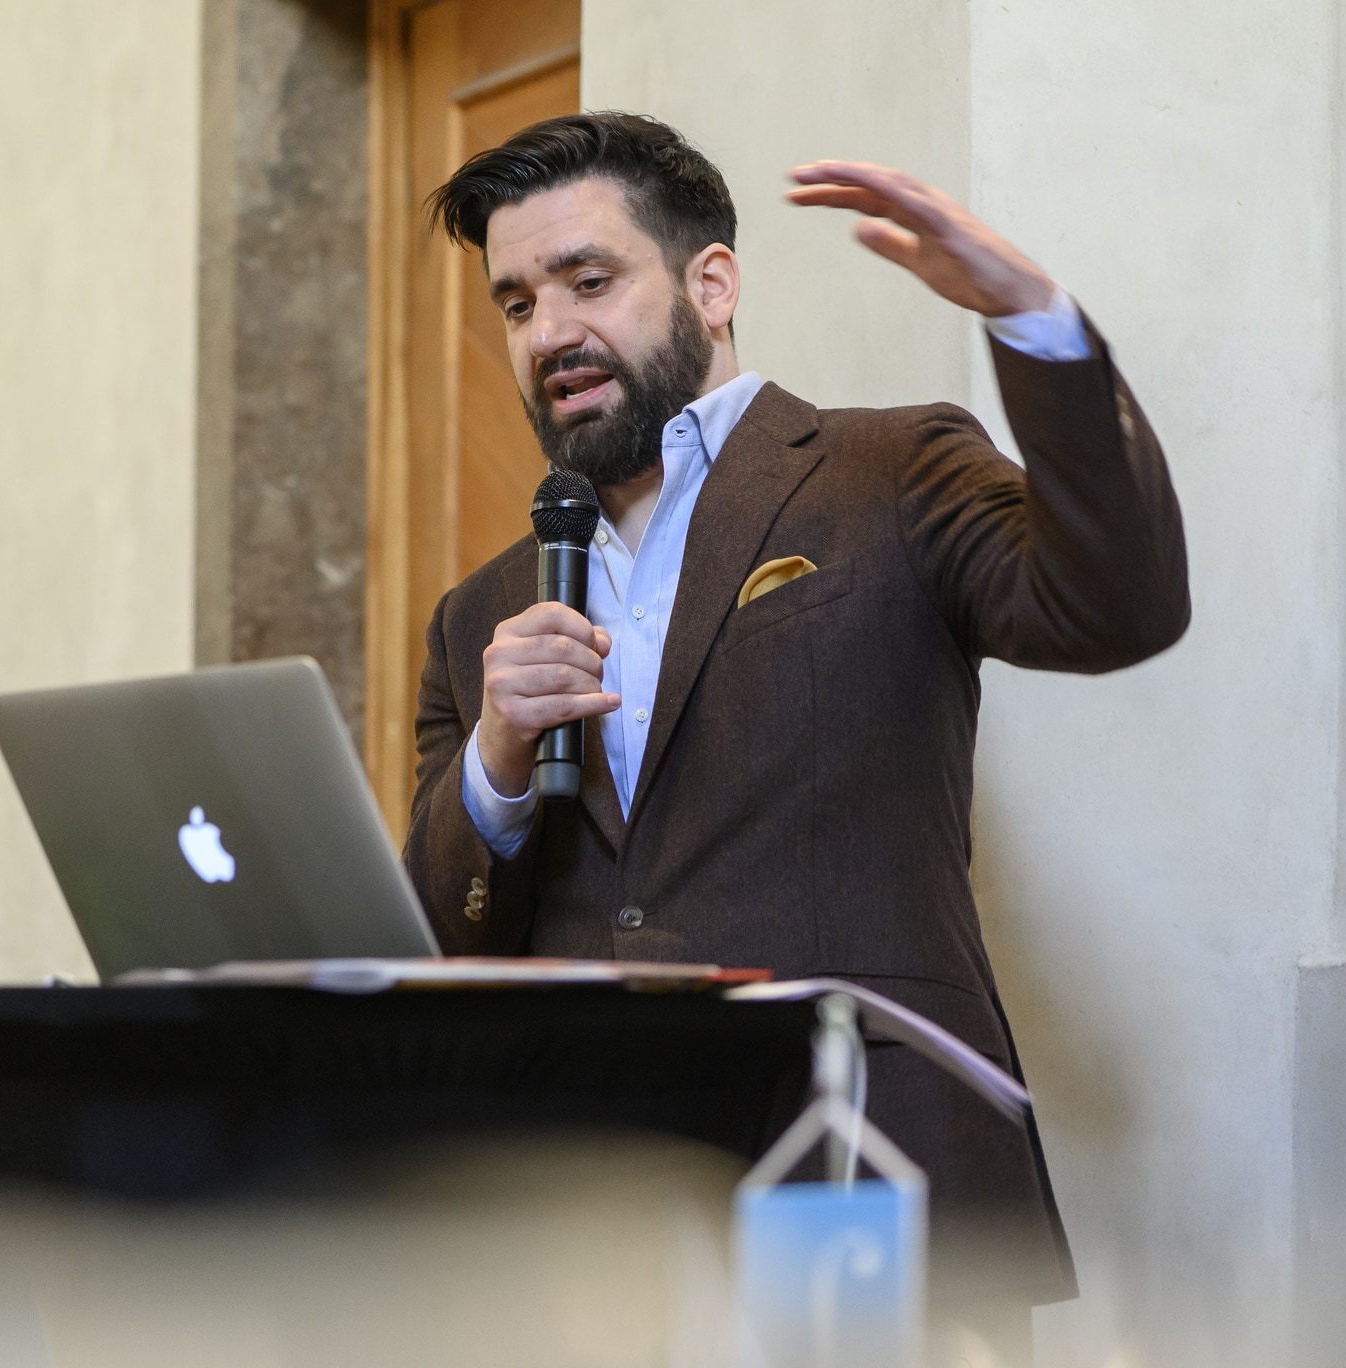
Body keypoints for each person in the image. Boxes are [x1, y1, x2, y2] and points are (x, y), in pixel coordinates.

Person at [405, 112, 1188, 1354]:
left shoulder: (887, 471)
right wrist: (495, 761)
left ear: (710, 285)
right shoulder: (482, 615)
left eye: (586, 280)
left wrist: (1029, 320)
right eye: (515, 303)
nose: (548, 332)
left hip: (860, 1170)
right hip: (586, 1229)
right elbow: (441, 937)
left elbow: (1117, 606)